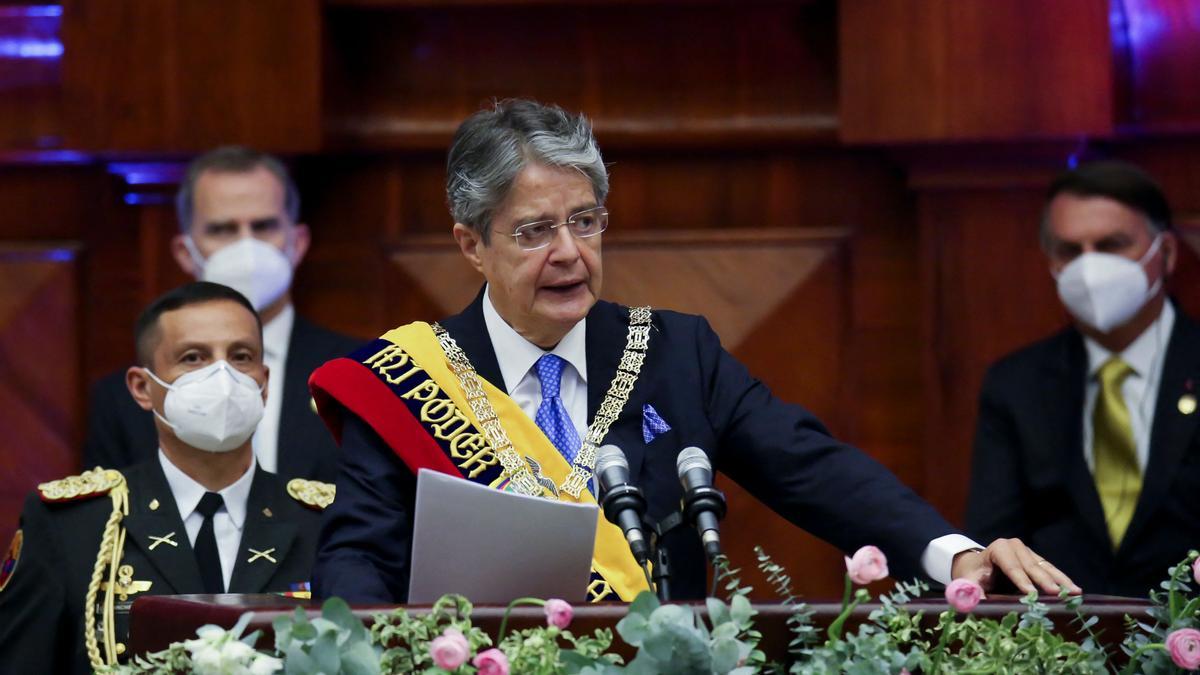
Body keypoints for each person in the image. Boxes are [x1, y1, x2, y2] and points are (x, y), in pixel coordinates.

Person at [310, 99, 1075, 604]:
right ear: (471, 245)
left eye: (586, 220)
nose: (570, 253)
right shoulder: (407, 376)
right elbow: (357, 556)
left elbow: (811, 466)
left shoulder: (675, 350)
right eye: (535, 231)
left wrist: (952, 553)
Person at [0, 282, 333, 674]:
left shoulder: (324, 521)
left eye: (240, 357)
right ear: (143, 388)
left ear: (264, 384)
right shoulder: (71, 526)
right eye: (193, 358)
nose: (222, 377)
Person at [967, 160, 1199, 597]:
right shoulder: (1017, 384)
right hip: (1063, 644)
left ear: (1165, 254)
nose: (1089, 268)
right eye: (1071, 251)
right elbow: (992, 546)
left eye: (1112, 245)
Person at [83, 146, 358, 483]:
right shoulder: (124, 397)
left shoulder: (357, 374)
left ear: (297, 242)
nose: (247, 247)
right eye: (223, 230)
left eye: (263, 226)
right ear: (186, 252)